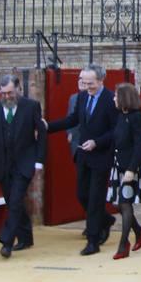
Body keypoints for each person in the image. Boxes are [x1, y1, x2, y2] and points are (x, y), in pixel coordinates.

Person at [46, 64, 118, 255]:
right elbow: (73, 120)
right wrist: (48, 127)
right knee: (82, 195)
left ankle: (93, 241)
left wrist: (97, 142)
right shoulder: (83, 96)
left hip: (101, 156)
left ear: (101, 80)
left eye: (91, 83)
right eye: (84, 82)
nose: (87, 86)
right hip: (84, 155)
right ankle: (105, 219)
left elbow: (115, 130)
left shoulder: (110, 99)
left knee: (95, 198)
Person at [0, 74, 46, 259]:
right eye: (3, 93)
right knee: (13, 201)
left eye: (10, 93)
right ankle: (26, 237)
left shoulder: (31, 107)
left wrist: (39, 160)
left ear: (18, 90)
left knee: (14, 201)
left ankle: (6, 242)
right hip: (2, 165)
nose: (7, 97)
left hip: (24, 163)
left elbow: (42, 135)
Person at [110, 81, 141, 260]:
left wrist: (132, 170)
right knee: (120, 203)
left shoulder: (136, 117)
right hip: (118, 166)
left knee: (125, 204)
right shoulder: (118, 115)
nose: (114, 99)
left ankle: (123, 243)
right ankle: (140, 231)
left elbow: (140, 145)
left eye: (116, 96)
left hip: (131, 168)